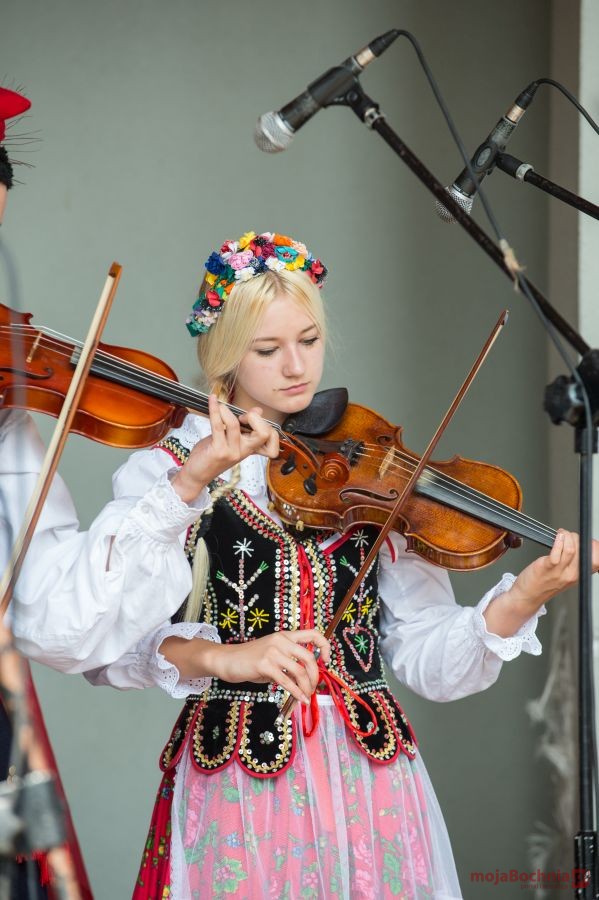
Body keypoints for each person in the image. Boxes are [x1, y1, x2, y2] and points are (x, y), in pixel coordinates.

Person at [78, 229, 597, 900]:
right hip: (238, 782)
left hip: (371, 783)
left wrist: (522, 596)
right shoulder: (171, 470)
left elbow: (427, 659)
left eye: (310, 340)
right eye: (268, 349)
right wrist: (226, 658)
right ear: (225, 353)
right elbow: (106, 643)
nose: (296, 367)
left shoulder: (372, 467)